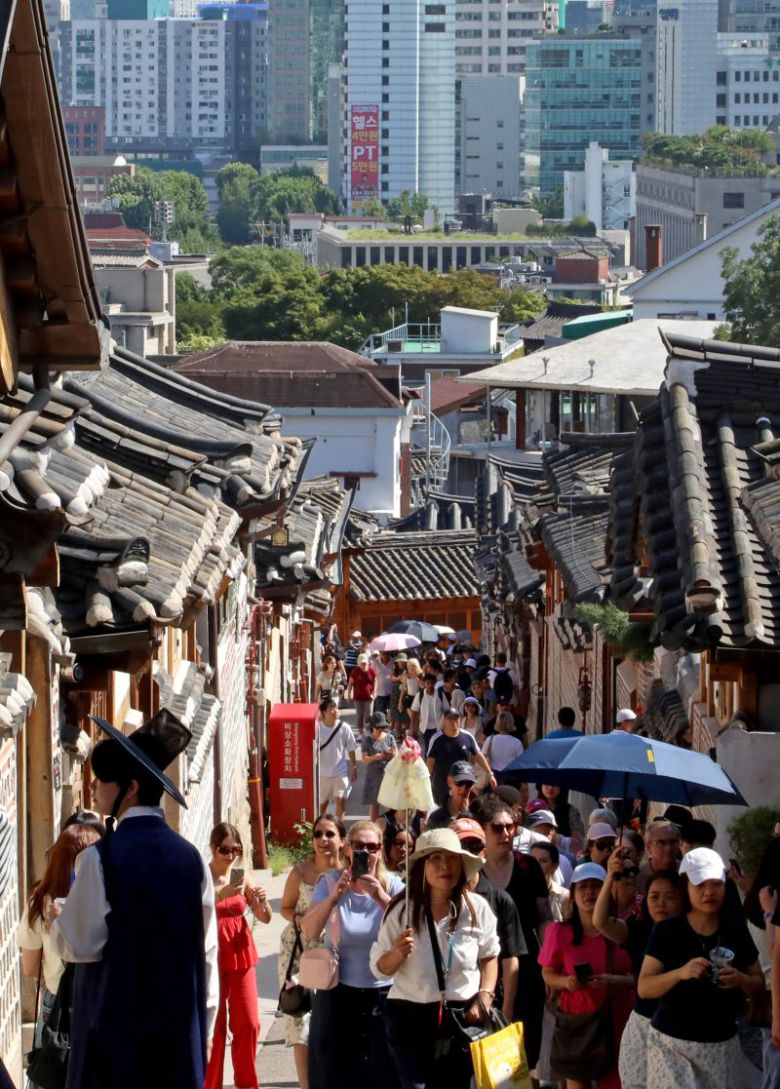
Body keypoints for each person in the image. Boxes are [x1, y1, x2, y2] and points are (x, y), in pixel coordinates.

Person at [51, 710, 218, 1089]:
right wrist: (202, 1034)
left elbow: (79, 944)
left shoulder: (99, 859)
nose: (94, 786)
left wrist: (58, 919)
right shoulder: (192, 861)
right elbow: (207, 955)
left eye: (102, 779)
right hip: (177, 1040)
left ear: (130, 788)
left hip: (114, 1040)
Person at [370, 828, 500, 1089]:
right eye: (436, 858)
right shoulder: (401, 911)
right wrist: (397, 954)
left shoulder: (477, 908)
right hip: (410, 1016)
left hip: (462, 1017)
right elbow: (379, 969)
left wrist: (485, 996)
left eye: (452, 858)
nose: (445, 866)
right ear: (422, 866)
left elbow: (490, 955)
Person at [638, 847, 764, 1089]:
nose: (709, 892)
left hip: (722, 1044)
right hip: (672, 1044)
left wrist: (740, 979)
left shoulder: (735, 930)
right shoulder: (668, 930)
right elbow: (645, 987)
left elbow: (758, 982)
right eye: (700, 885)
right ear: (685, 887)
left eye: (716, 884)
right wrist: (680, 973)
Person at [303, 820, 403, 1089]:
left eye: (372, 847)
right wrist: (333, 898)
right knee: (335, 1077)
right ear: (347, 849)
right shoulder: (330, 882)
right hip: (338, 994)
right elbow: (310, 931)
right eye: (359, 846)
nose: (365, 853)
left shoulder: (394, 886)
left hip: (384, 994)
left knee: (384, 1078)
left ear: (381, 851)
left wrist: (380, 897)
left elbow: (411, 931)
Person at [18, 824, 103, 1088]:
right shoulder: (102, 902)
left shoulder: (40, 900)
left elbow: (29, 968)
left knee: (50, 1075)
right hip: (97, 1004)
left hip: (55, 1006)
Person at [593, 849, 683, 1089]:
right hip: (644, 1022)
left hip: (679, 1026)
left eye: (669, 897)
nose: (661, 903)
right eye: (654, 896)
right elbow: (600, 922)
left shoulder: (690, 932)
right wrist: (609, 877)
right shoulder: (637, 928)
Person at [539, 862, 634, 1089]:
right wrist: (566, 982)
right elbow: (548, 974)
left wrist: (616, 982)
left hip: (618, 1022)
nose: (589, 892)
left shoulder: (621, 930)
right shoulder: (558, 932)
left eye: (596, 886)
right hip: (577, 1026)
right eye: (583, 887)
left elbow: (638, 976)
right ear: (573, 894)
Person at [476, 794, 551, 1070]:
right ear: (483, 830)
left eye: (511, 827)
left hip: (528, 965)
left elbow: (545, 919)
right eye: (497, 828)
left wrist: (549, 964)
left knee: (525, 1054)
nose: (506, 834)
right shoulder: (472, 871)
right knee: (486, 1053)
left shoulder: (528, 867)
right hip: (483, 968)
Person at [278, 814, 345, 1089]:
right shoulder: (300, 872)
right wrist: (302, 919)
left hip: (335, 953)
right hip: (299, 951)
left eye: (330, 834)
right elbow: (285, 908)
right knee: (300, 1022)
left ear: (342, 841)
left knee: (332, 1021)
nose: (323, 840)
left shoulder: (348, 873)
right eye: (318, 834)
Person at [205, 822, 271, 1089]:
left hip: (241, 953)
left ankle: (247, 1084)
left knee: (249, 1024)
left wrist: (262, 900)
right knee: (215, 1030)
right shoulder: (203, 876)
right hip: (212, 955)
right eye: (225, 849)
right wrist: (220, 895)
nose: (231, 855)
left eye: (236, 850)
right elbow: (191, 910)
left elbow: (265, 918)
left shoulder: (242, 877)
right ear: (213, 847)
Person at [451, 815, 526, 1020]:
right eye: (461, 847)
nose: (468, 854)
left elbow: (510, 958)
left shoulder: (501, 900)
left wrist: (507, 1009)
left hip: (489, 1004)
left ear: (484, 852)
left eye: (474, 847)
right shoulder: (437, 897)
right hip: (447, 1001)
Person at [426, 711, 495, 806]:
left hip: (462, 784)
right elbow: (430, 761)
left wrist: (490, 774)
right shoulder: (436, 738)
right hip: (442, 784)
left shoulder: (467, 736)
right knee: (443, 809)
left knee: (461, 809)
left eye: (456, 718)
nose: (454, 721)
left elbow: (478, 755)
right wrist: (426, 781)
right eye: (450, 719)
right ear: (444, 721)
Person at [317, 698, 357, 820]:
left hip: (340, 772)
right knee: (322, 805)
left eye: (336, 708)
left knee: (340, 803)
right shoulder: (317, 729)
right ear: (324, 712)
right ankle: (322, 826)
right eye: (331, 708)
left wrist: (354, 767)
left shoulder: (344, 727)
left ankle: (339, 828)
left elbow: (351, 748)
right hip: (322, 774)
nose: (335, 711)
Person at [361, 712, 398, 822]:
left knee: (389, 804)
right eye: (378, 728)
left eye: (383, 727)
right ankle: (374, 826)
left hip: (388, 776)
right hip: (374, 777)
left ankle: (390, 826)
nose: (381, 730)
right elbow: (364, 759)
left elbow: (396, 753)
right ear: (373, 727)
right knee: (374, 804)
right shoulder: (367, 740)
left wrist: (392, 753)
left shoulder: (390, 737)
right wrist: (375, 757)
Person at [425, 761, 477, 831]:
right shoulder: (436, 818)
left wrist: (466, 815)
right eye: (460, 782)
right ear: (449, 781)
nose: (463, 788)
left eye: (469, 783)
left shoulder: (477, 816)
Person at [536, 783, 585, 849]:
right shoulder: (535, 808)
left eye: (555, 783)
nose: (550, 787)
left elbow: (576, 840)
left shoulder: (570, 810)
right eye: (547, 783)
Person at [531, 840, 570, 921]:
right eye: (532, 860)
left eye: (543, 861)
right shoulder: (518, 893)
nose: (536, 864)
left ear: (555, 866)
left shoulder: (565, 896)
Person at [637, 820, 681, 894]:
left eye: (672, 842)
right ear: (648, 847)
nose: (668, 848)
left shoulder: (686, 872)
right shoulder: (638, 877)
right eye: (661, 843)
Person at [347, 653, 376, 737]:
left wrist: (374, 692)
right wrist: (349, 695)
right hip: (358, 697)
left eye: (365, 663)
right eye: (362, 663)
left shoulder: (371, 670)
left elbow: (375, 681)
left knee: (369, 715)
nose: (364, 665)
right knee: (359, 715)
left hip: (369, 697)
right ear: (359, 663)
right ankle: (360, 733)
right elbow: (350, 684)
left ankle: (368, 732)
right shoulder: (355, 671)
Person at [411, 673, 445, 742]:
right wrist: (413, 728)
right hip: (425, 728)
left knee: (438, 746)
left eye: (432, 683)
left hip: (438, 727)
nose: (430, 685)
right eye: (428, 683)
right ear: (424, 683)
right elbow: (414, 711)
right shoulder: (419, 695)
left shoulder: (440, 694)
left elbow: (446, 710)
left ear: (435, 683)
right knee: (427, 746)